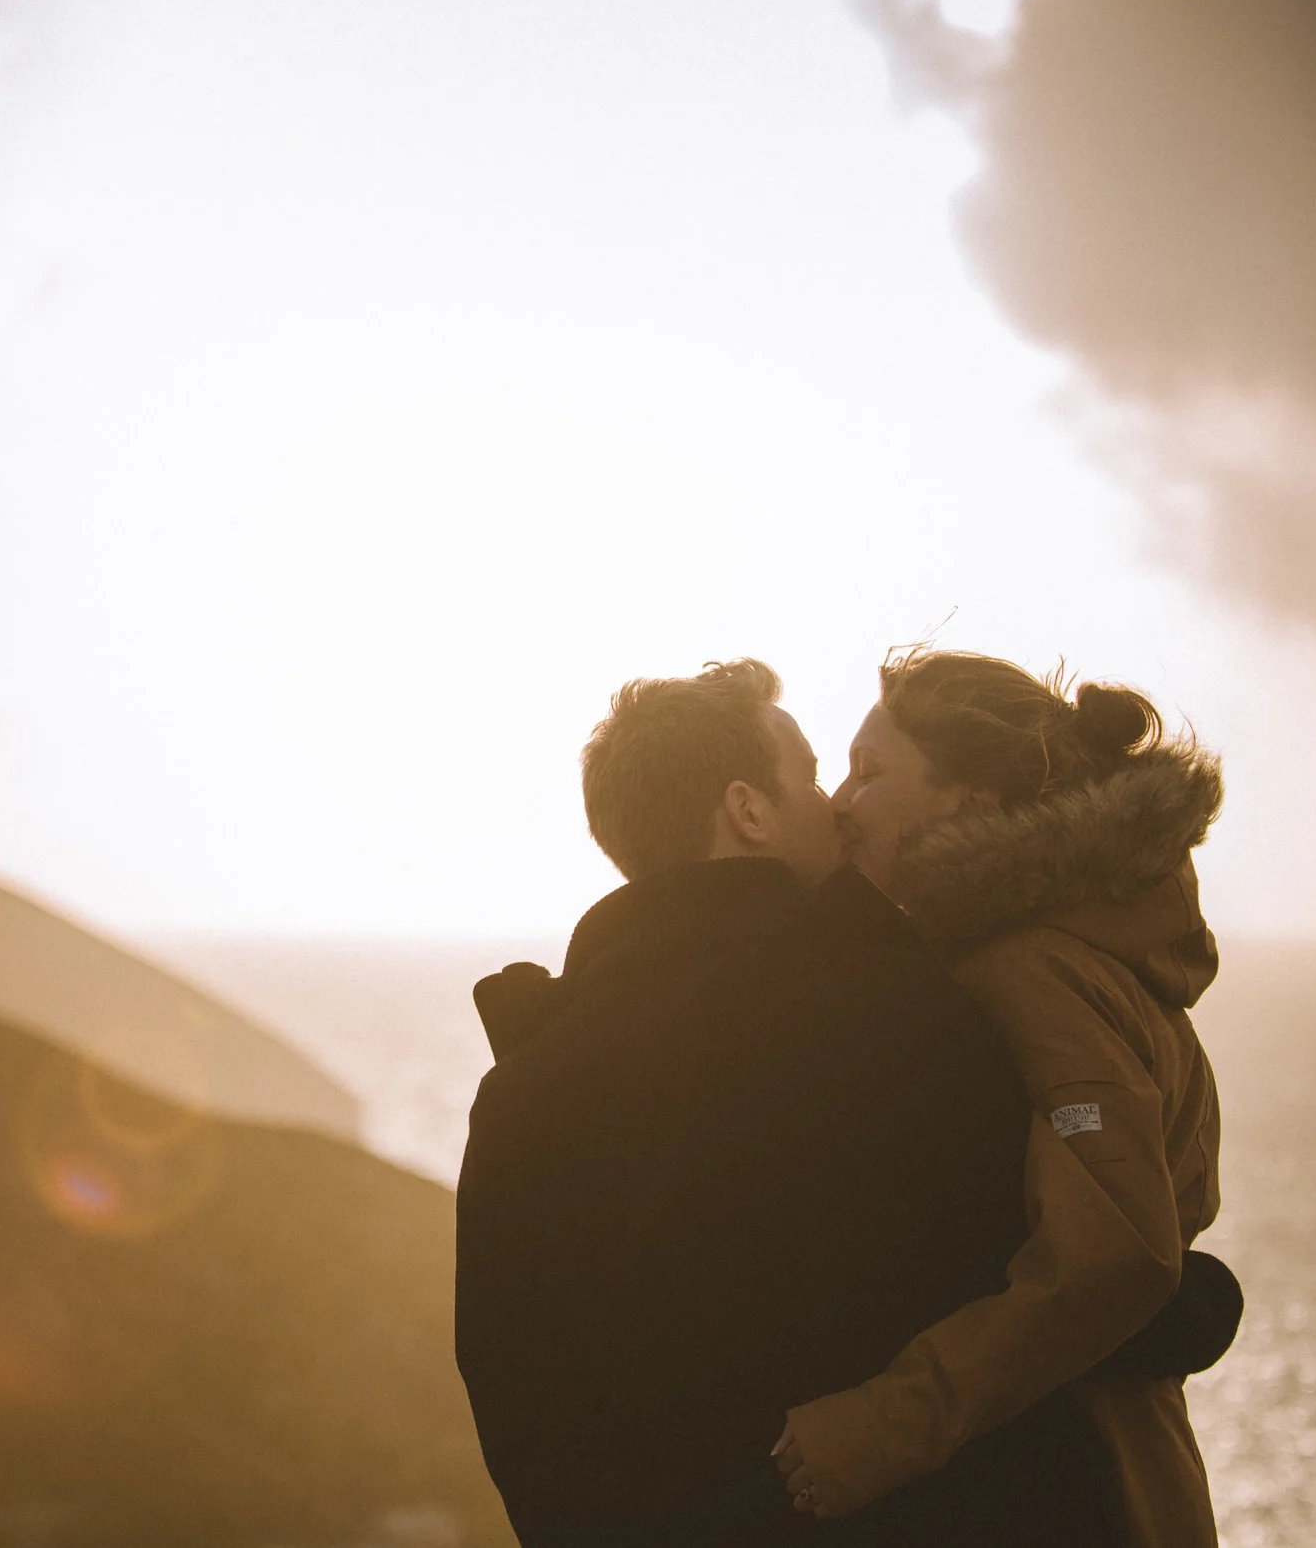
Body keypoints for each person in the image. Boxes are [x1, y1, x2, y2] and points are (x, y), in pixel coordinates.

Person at [454, 659, 1128, 1546]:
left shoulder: (521, 1093)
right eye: (810, 774)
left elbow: (523, 1416)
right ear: (749, 809)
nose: (837, 805)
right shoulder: (900, 1016)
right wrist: (1174, 1303)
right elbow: (1020, 1283)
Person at [774, 649, 1227, 1548]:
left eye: (870, 774)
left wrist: (876, 1427)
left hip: (1094, 1487)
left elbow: (1112, 1255)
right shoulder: (1046, 949)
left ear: (970, 802)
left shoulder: (1029, 967)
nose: (837, 803)